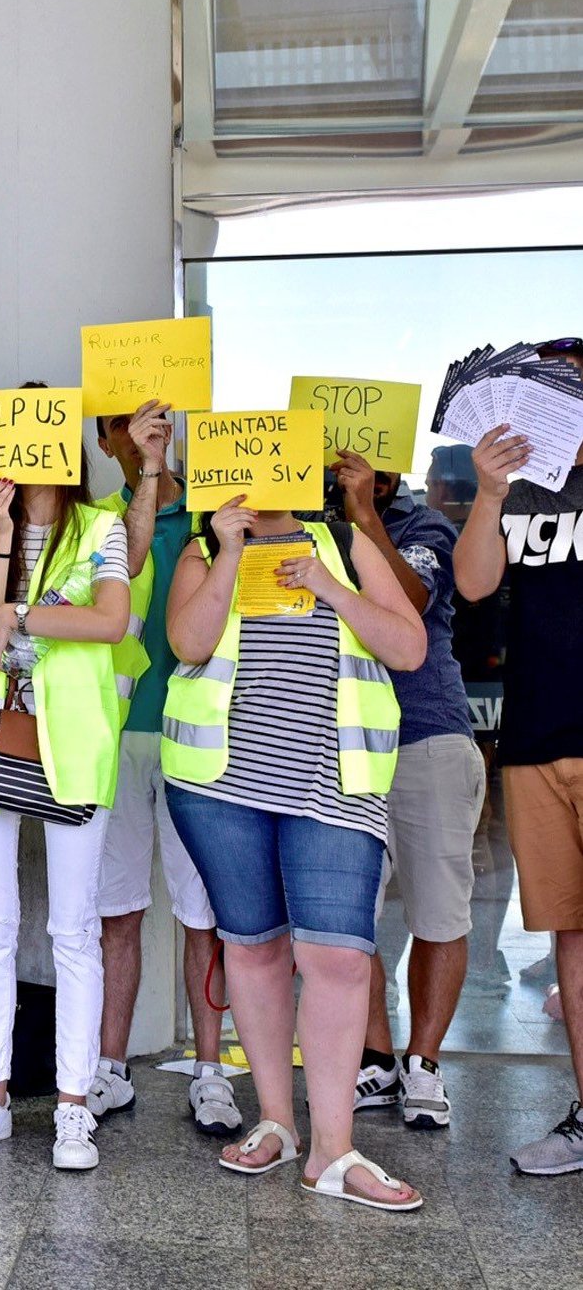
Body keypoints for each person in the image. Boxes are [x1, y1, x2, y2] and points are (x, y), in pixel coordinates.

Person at [165, 494, 426, 1211]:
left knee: (338, 956)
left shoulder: (341, 540)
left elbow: (406, 648)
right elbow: (187, 644)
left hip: (333, 779)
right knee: (251, 947)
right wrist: (223, 551)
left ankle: (333, 1150)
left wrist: (325, 584)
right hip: (222, 780)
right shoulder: (201, 540)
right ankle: (276, 1119)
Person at [0, 452, 132, 1173]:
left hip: (74, 744)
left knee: (73, 930)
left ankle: (73, 1107)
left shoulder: (100, 527)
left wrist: (21, 613)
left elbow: (111, 622)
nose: (22, 456)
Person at [85, 404, 237, 1133]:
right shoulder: (99, 524)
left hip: (201, 736)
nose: (142, 429)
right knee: (115, 910)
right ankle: (109, 1070)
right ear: (104, 440)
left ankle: (211, 1073)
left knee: (201, 913)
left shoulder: (219, 512)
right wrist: (148, 474)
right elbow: (133, 560)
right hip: (116, 737)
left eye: (155, 418)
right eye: (123, 421)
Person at [452, 347, 583, 1174]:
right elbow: (471, 586)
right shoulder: (520, 490)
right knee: (570, 931)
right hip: (537, 736)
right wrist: (492, 492)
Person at [331, 451, 483, 1128]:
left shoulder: (425, 527)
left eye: (374, 465)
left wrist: (365, 515)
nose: (359, 470)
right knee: (344, 912)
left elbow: (412, 604)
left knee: (439, 910)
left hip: (425, 734)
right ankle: (374, 1058)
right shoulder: (308, 527)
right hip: (340, 740)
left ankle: (422, 1063)